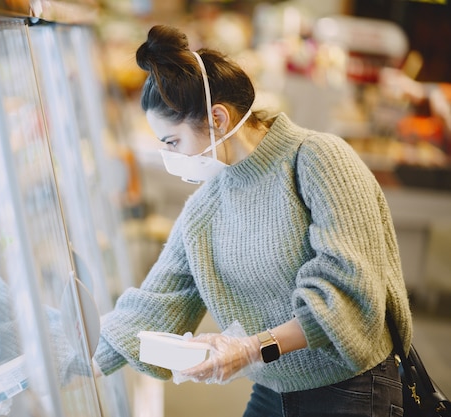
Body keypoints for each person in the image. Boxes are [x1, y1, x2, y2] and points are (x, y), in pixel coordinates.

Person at [92, 24, 413, 417]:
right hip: (272, 389)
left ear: (218, 118)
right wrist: (64, 358)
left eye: (172, 143)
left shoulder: (317, 159)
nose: (170, 158)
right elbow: (158, 301)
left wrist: (252, 348)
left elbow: (347, 291)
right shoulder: (206, 206)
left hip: (350, 388)